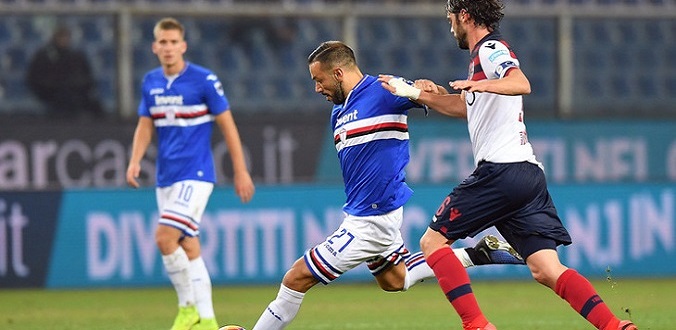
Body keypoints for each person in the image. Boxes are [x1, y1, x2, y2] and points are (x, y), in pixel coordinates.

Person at [379, 1, 638, 329]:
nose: (448, 21)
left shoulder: (491, 49)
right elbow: (464, 108)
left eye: (451, 15)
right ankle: (616, 326)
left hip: (501, 171)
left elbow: (520, 82)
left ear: (466, 16)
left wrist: (483, 84)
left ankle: (477, 325)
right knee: (546, 269)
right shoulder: (478, 61)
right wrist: (415, 93)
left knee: (432, 242)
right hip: (527, 175)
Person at [251, 40, 524, 330]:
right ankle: (477, 253)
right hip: (363, 213)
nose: (317, 88)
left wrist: (428, 89)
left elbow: (444, 100)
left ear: (339, 73)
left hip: (371, 220)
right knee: (395, 280)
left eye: (319, 80)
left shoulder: (385, 89)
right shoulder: (338, 113)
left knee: (296, 277)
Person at [126, 17, 255, 330]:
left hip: (195, 175)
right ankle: (208, 321)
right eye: (163, 43)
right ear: (155, 47)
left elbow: (227, 125)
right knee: (189, 246)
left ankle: (187, 309)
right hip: (165, 177)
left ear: (183, 46)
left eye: (174, 42)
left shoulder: (203, 80)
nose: (169, 48)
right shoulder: (151, 82)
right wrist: (134, 160)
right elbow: (146, 125)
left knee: (164, 237)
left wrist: (240, 170)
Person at [26, 24, 104, 119]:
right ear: (54, 38)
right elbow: (34, 77)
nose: (64, 40)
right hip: (53, 92)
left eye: (66, 37)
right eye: (61, 37)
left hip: (76, 92)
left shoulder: (77, 56)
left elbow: (87, 76)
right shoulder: (43, 56)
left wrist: (81, 85)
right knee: (66, 101)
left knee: (95, 106)